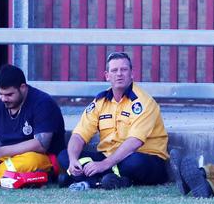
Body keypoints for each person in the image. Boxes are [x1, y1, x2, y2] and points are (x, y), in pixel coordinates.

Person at [58, 52, 169, 190]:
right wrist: (74, 159)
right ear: (107, 75)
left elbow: (134, 142)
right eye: (114, 70)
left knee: (134, 163)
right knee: (64, 155)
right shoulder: (100, 101)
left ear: (131, 73)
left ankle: (89, 181)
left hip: (144, 158)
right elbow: (79, 135)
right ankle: (113, 181)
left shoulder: (143, 102)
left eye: (124, 70)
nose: (119, 74)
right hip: (109, 158)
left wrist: (103, 165)